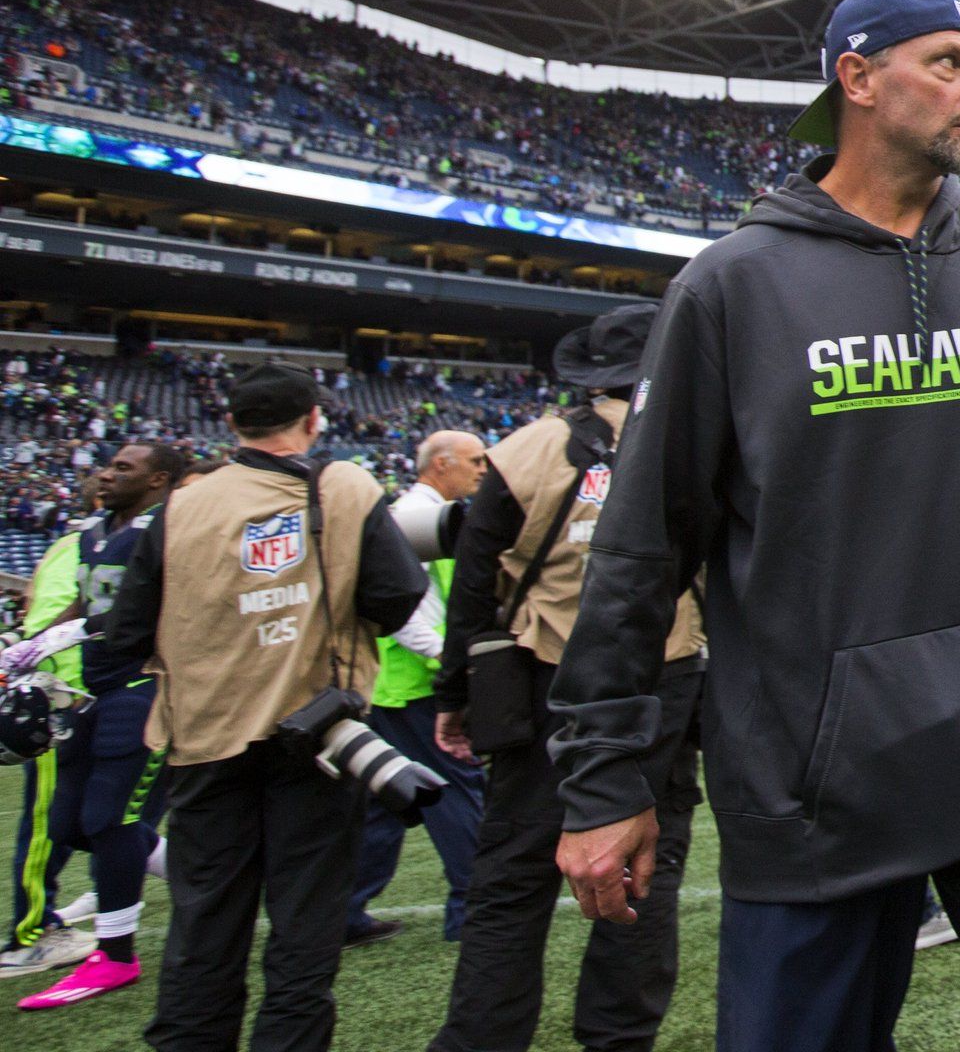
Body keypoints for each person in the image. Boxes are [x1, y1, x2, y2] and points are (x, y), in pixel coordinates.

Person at [546, 0, 960, 1052]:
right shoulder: (730, 289)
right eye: (949, 63)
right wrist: (605, 776)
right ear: (856, 76)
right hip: (816, 790)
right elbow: (641, 551)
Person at [98, 363, 427, 1052]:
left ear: (231, 424)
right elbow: (396, 596)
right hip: (315, 738)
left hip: (203, 738)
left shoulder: (180, 507)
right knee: (305, 929)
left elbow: (124, 634)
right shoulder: (343, 487)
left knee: (204, 924)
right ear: (314, 420)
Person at [426, 309, 705, 1052]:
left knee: (510, 882)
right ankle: (618, 1039)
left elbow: (474, 588)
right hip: (662, 677)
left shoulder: (525, 450)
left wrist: (455, 696)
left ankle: (481, 1038)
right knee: (648, 869)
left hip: (542, 678)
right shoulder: (694, 440)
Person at [17, 441, 187, 1011]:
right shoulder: (97, 531)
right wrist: (31, 644)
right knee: (71, 826)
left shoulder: (168, 530)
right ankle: (209, 876)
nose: (106, 474)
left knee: (110, 821)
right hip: (97, 686)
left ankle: (115, 956)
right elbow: (86, 598)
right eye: (109, 465)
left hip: (146, 684)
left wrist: (80, 629)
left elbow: (170, 606)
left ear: (159, 479)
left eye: (123, 468)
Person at [346, 430, 489, 947]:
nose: (482, 469)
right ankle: (470, 911)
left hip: (397, 688)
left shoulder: (427, 515)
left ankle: (344, 911)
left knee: (387, 802)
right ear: (441, 463)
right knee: (455, 790)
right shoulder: (416, 520)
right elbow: (407, 616)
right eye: (475, 460)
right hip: (417, 689)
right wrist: (456, 664)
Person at [2, 526, 88, 980]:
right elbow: (44, 625)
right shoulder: (81, 545)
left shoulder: (81, 543)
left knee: (107, 818)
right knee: (45, 824)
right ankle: (31, 935)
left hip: (99, 702)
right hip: (65, 701)